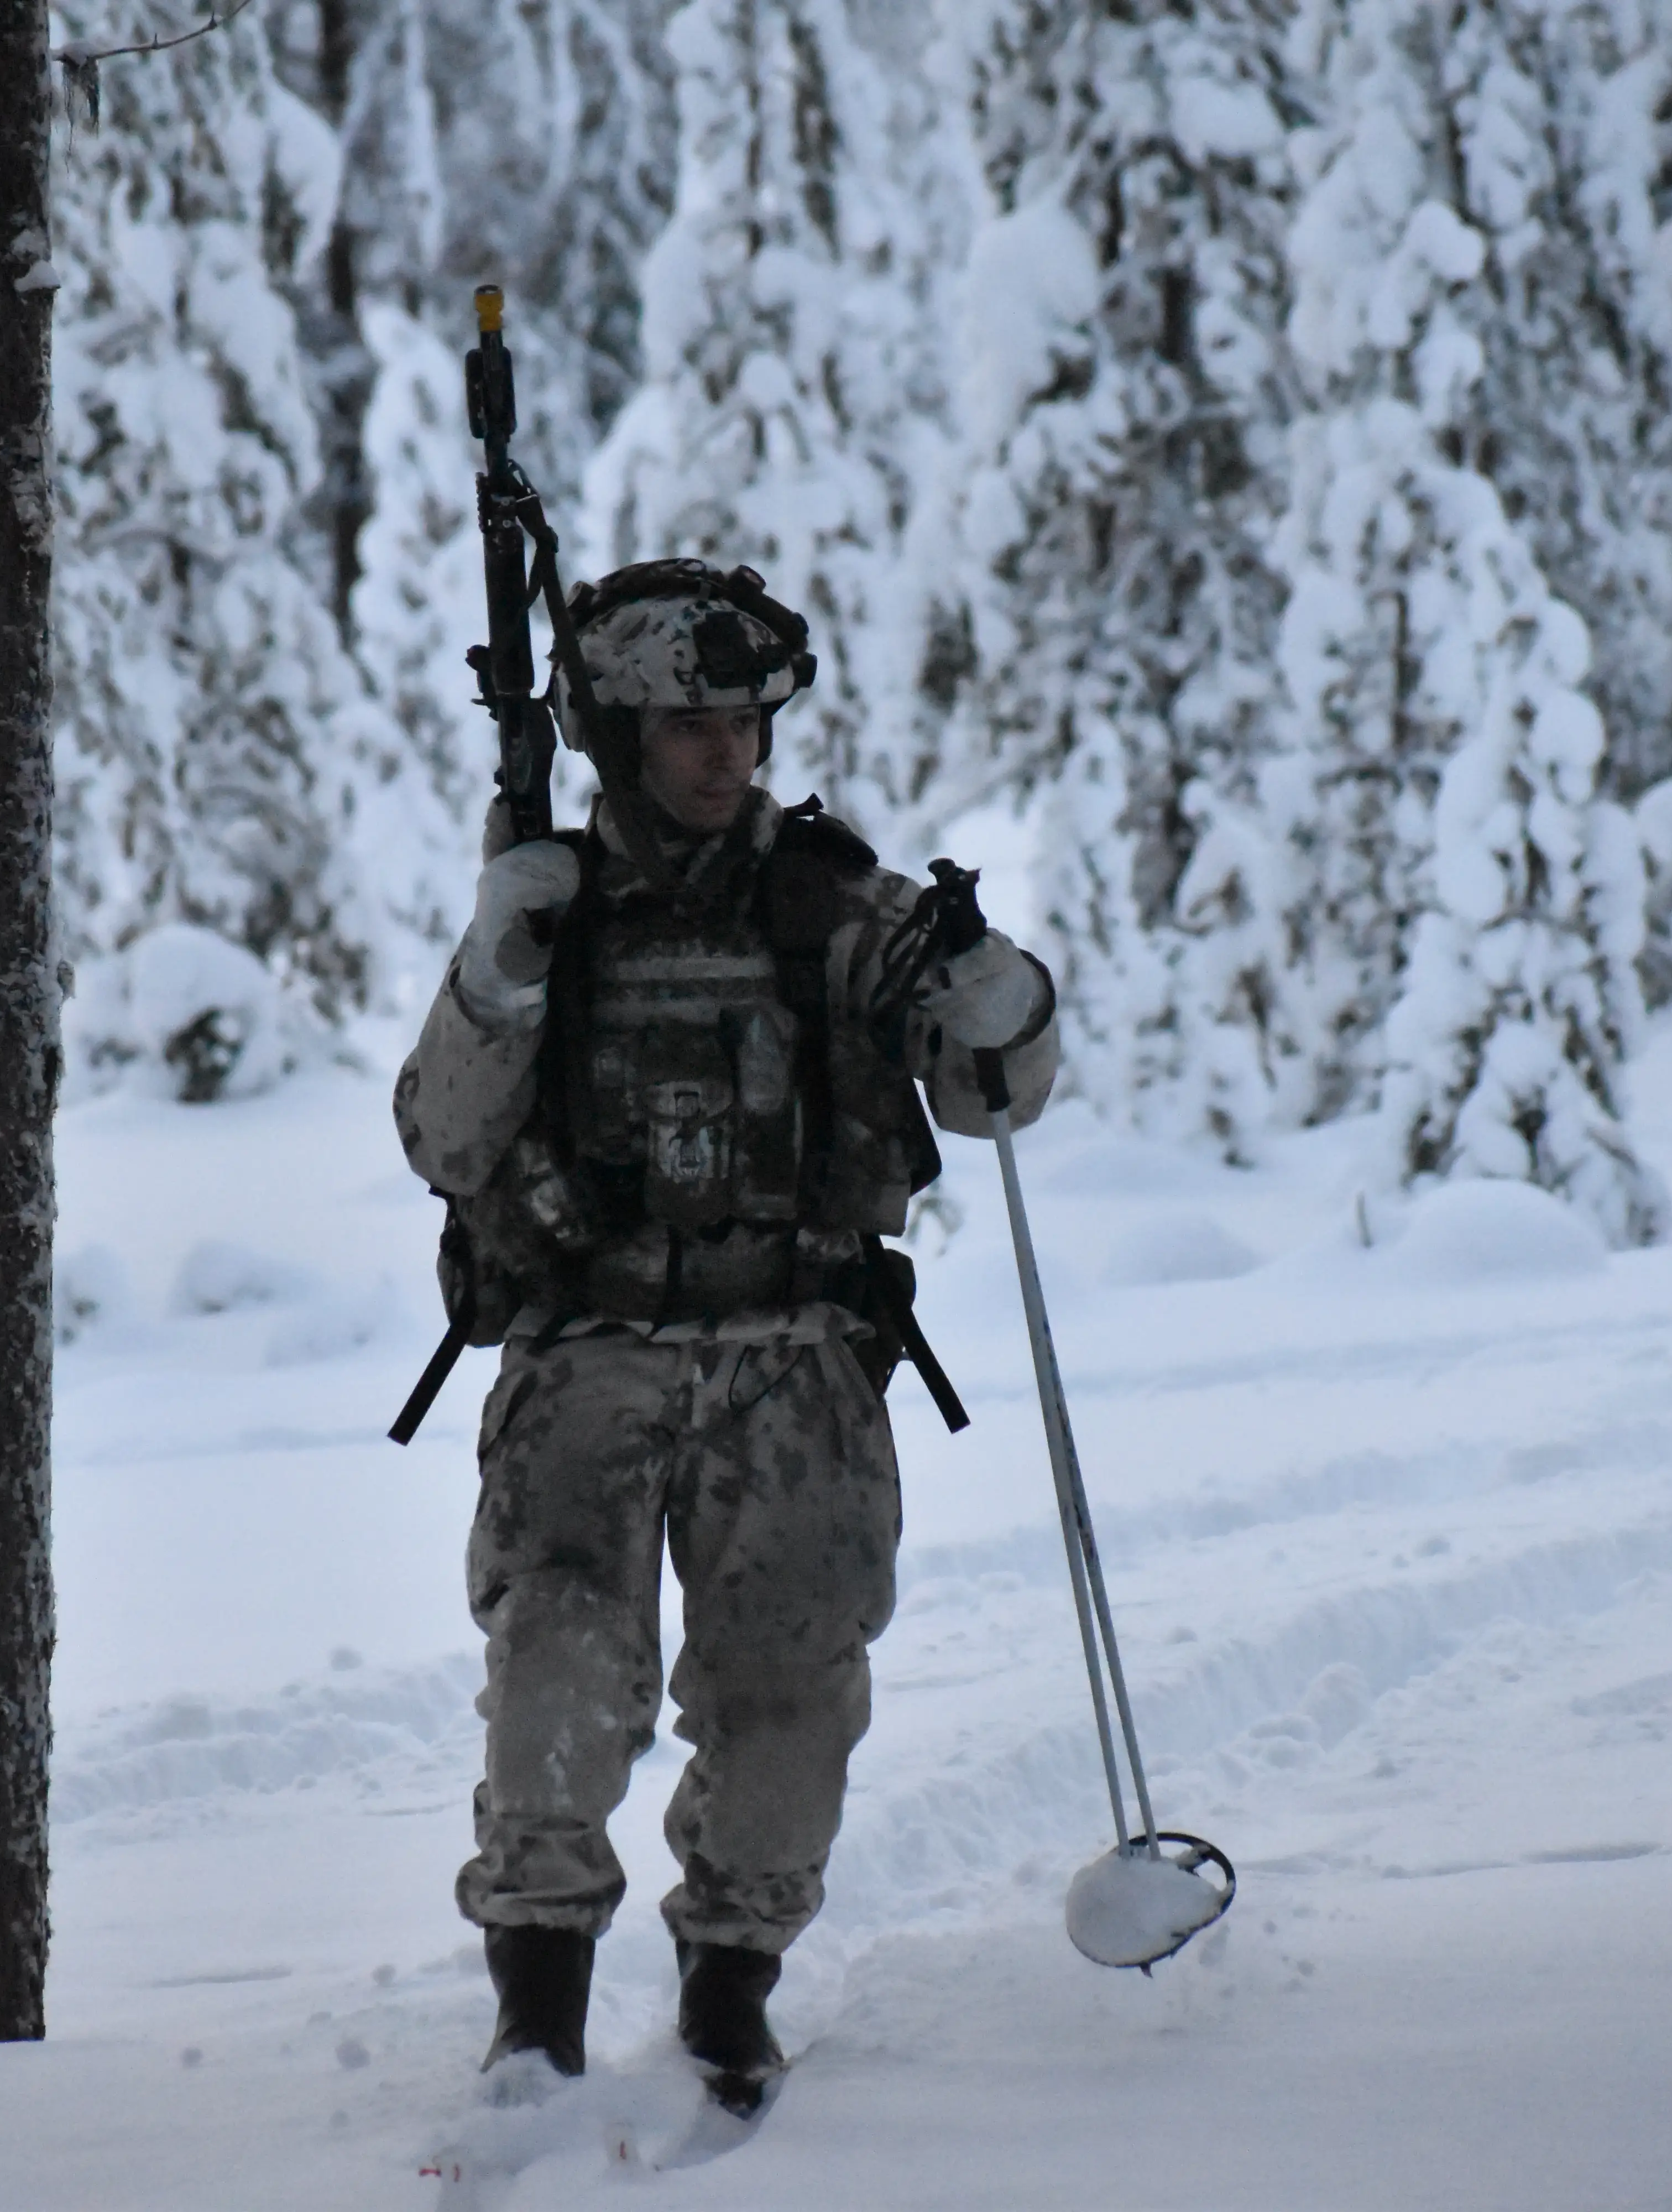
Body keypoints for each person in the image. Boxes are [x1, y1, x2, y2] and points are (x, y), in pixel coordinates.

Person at [393, 559, 1060, 2113]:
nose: (726, 756)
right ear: (620, 735)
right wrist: (497, 972)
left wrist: (992, 991)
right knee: (560, 1672)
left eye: (745, 723)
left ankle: (729, 1994)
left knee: (791, 1687)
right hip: (584, 1356)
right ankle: (537, 2009)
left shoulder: (836, 906)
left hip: (799, 1356)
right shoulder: (547, 908)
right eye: (690, 725)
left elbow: (995, 1095)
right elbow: (442, 1140)